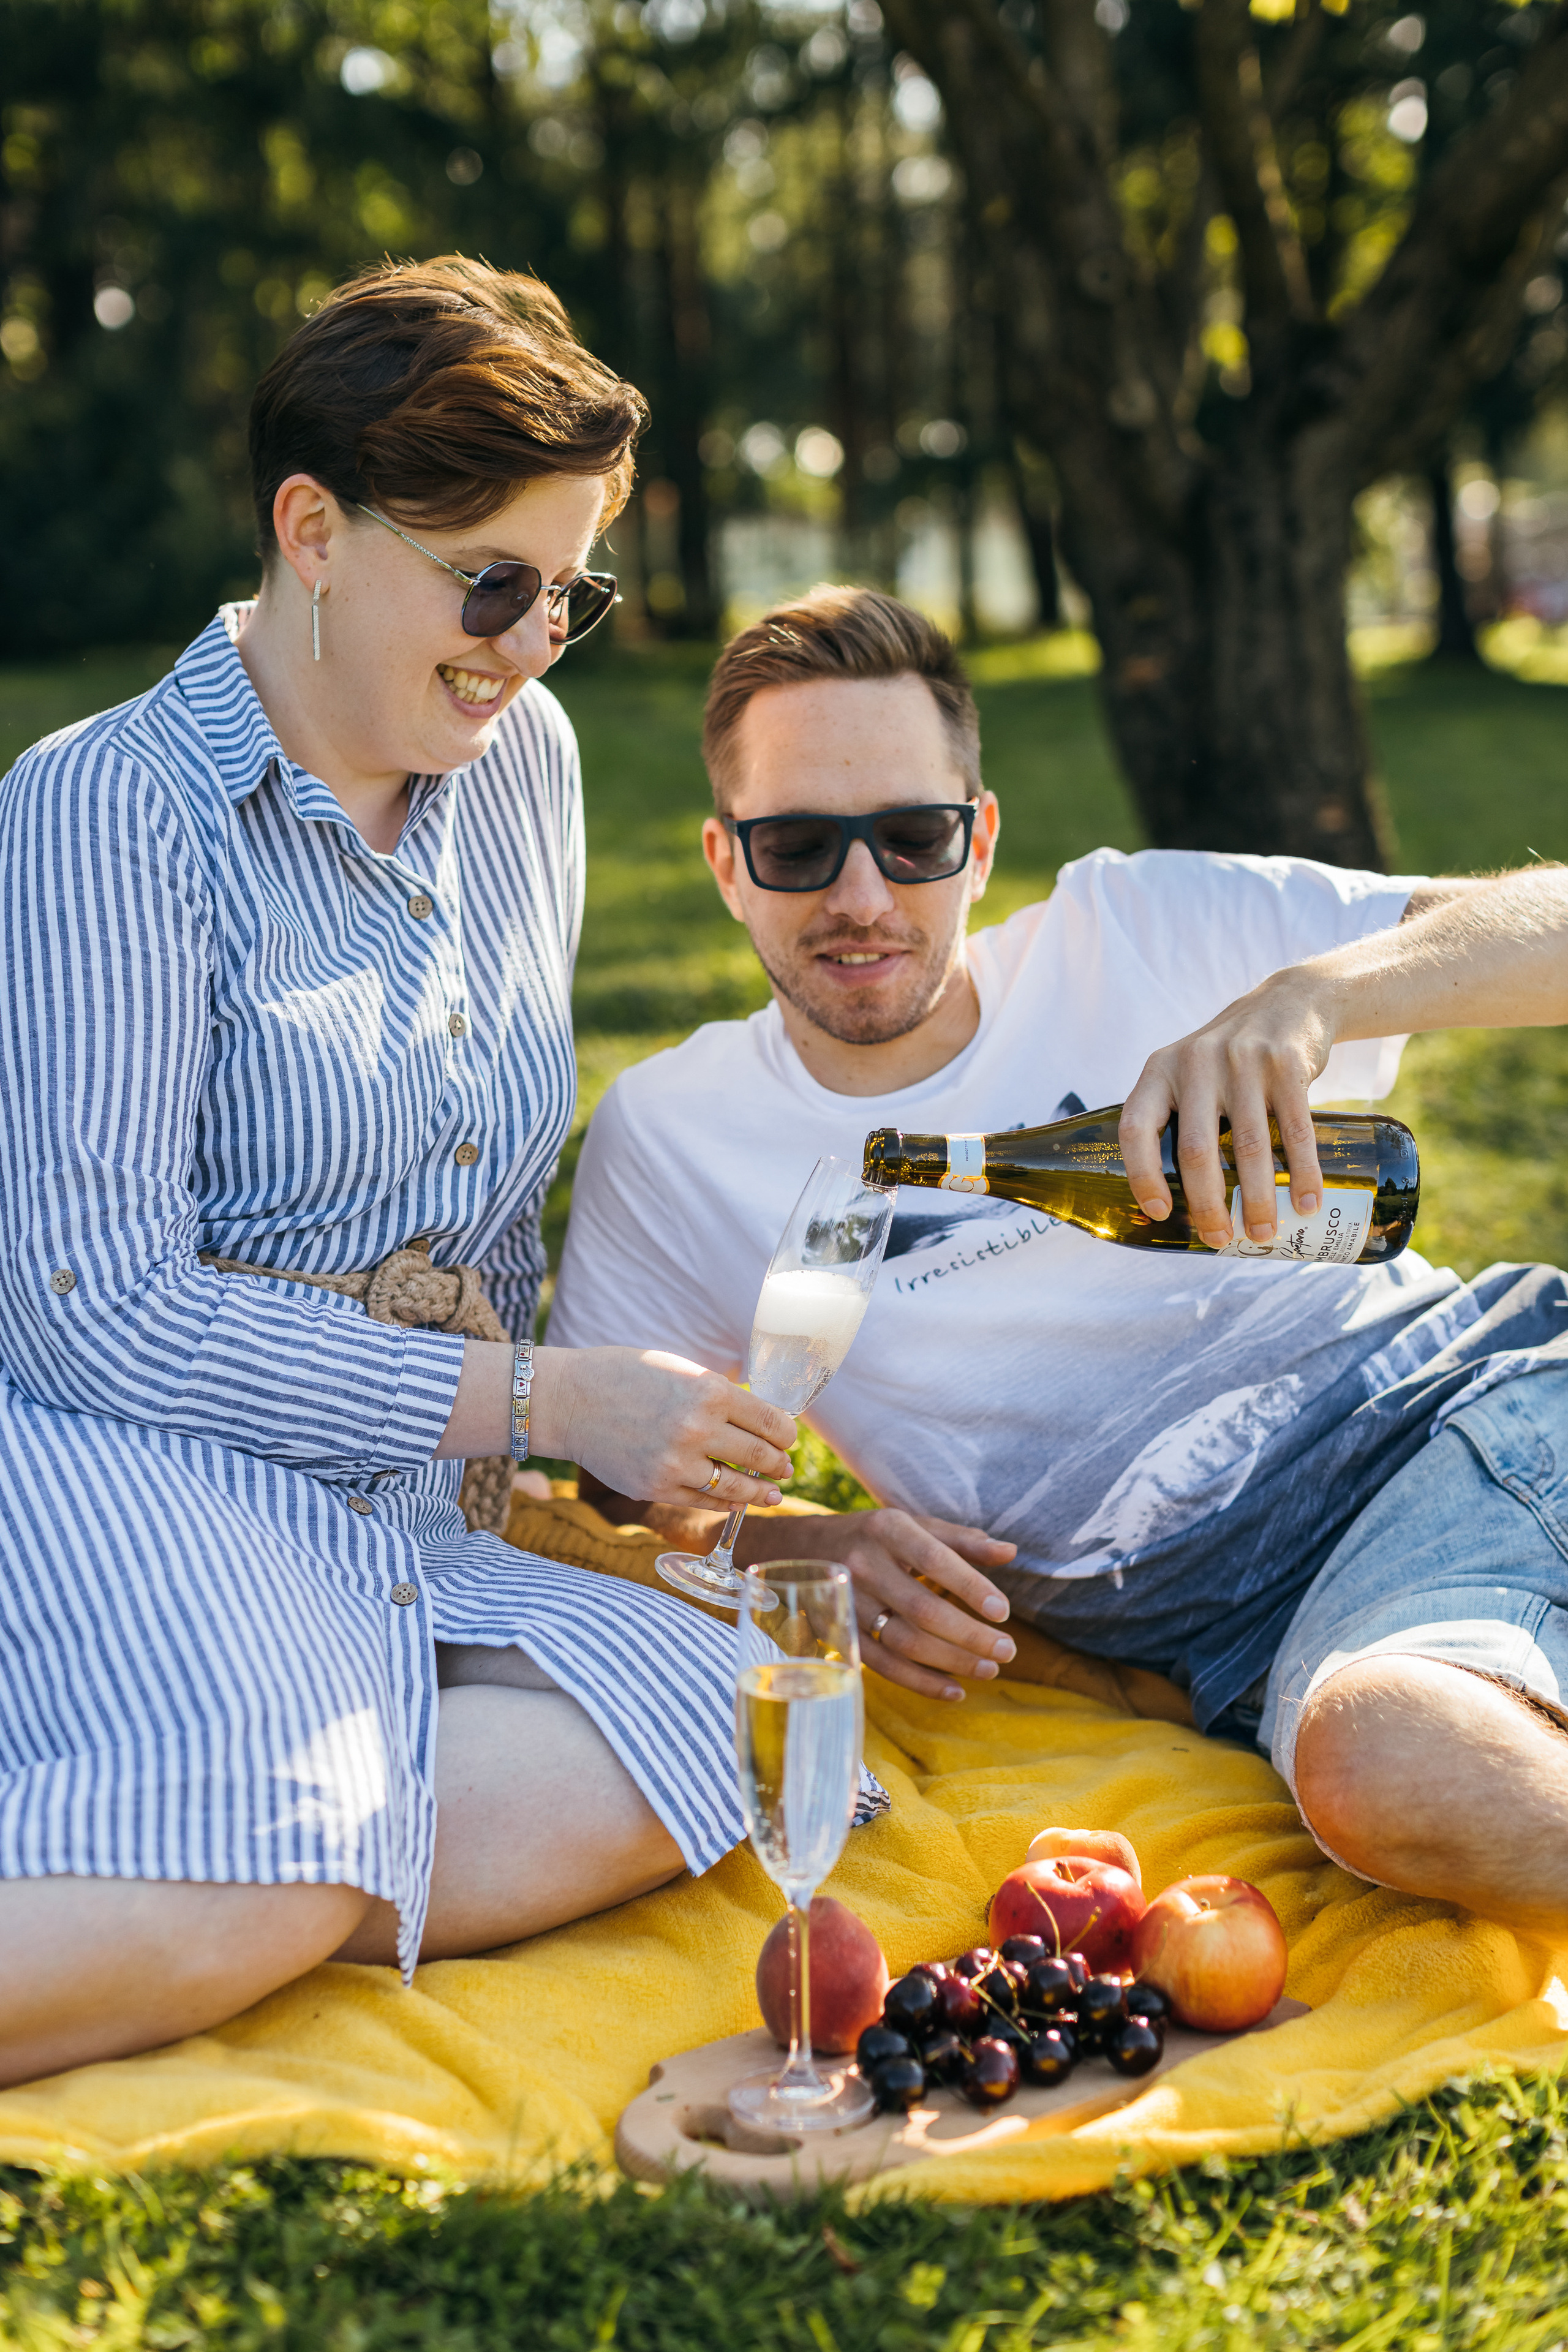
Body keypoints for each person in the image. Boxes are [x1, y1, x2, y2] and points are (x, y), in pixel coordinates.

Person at [0, 258, 815, 2090]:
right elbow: (92, 1319)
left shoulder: (522, 761)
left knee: (710, 1710)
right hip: (120, 1454)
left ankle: (193, 1862)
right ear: (313, 529)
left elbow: (484, 1203)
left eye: (570, 591)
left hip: (396, 1512)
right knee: (285, 1837)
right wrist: (534, 1399)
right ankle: (241, 1868)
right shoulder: (104, 811)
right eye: (492, 584)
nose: (535, 643)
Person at [549, 582, 1568, 1945]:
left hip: (1459, 1415)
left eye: (908, 838)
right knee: (1384, 1758)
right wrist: (806, 1541)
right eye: (796, 846)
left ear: (974, 843)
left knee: (1385, 1759)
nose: (860, 899)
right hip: (1260, 1630)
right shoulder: (674, 1139)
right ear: (726, 864)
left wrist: (1315, 997)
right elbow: (614, 1494)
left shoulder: (1137, 930)